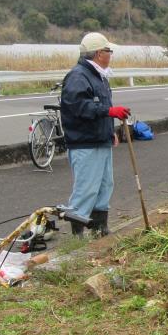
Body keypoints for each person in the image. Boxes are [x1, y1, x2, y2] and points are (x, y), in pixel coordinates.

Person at [60, 32, 130, 236]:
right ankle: (77, 234)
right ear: (99, 53)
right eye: (109, 51)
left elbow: (100, 106)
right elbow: (79, 107)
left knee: (104, 185)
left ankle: (100, 227)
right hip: (85, 143)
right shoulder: (78, 76)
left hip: (100, 139)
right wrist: (109, 112)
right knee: (86, 189)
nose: (110, 55)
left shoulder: (98, 75)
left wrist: (111, 131)